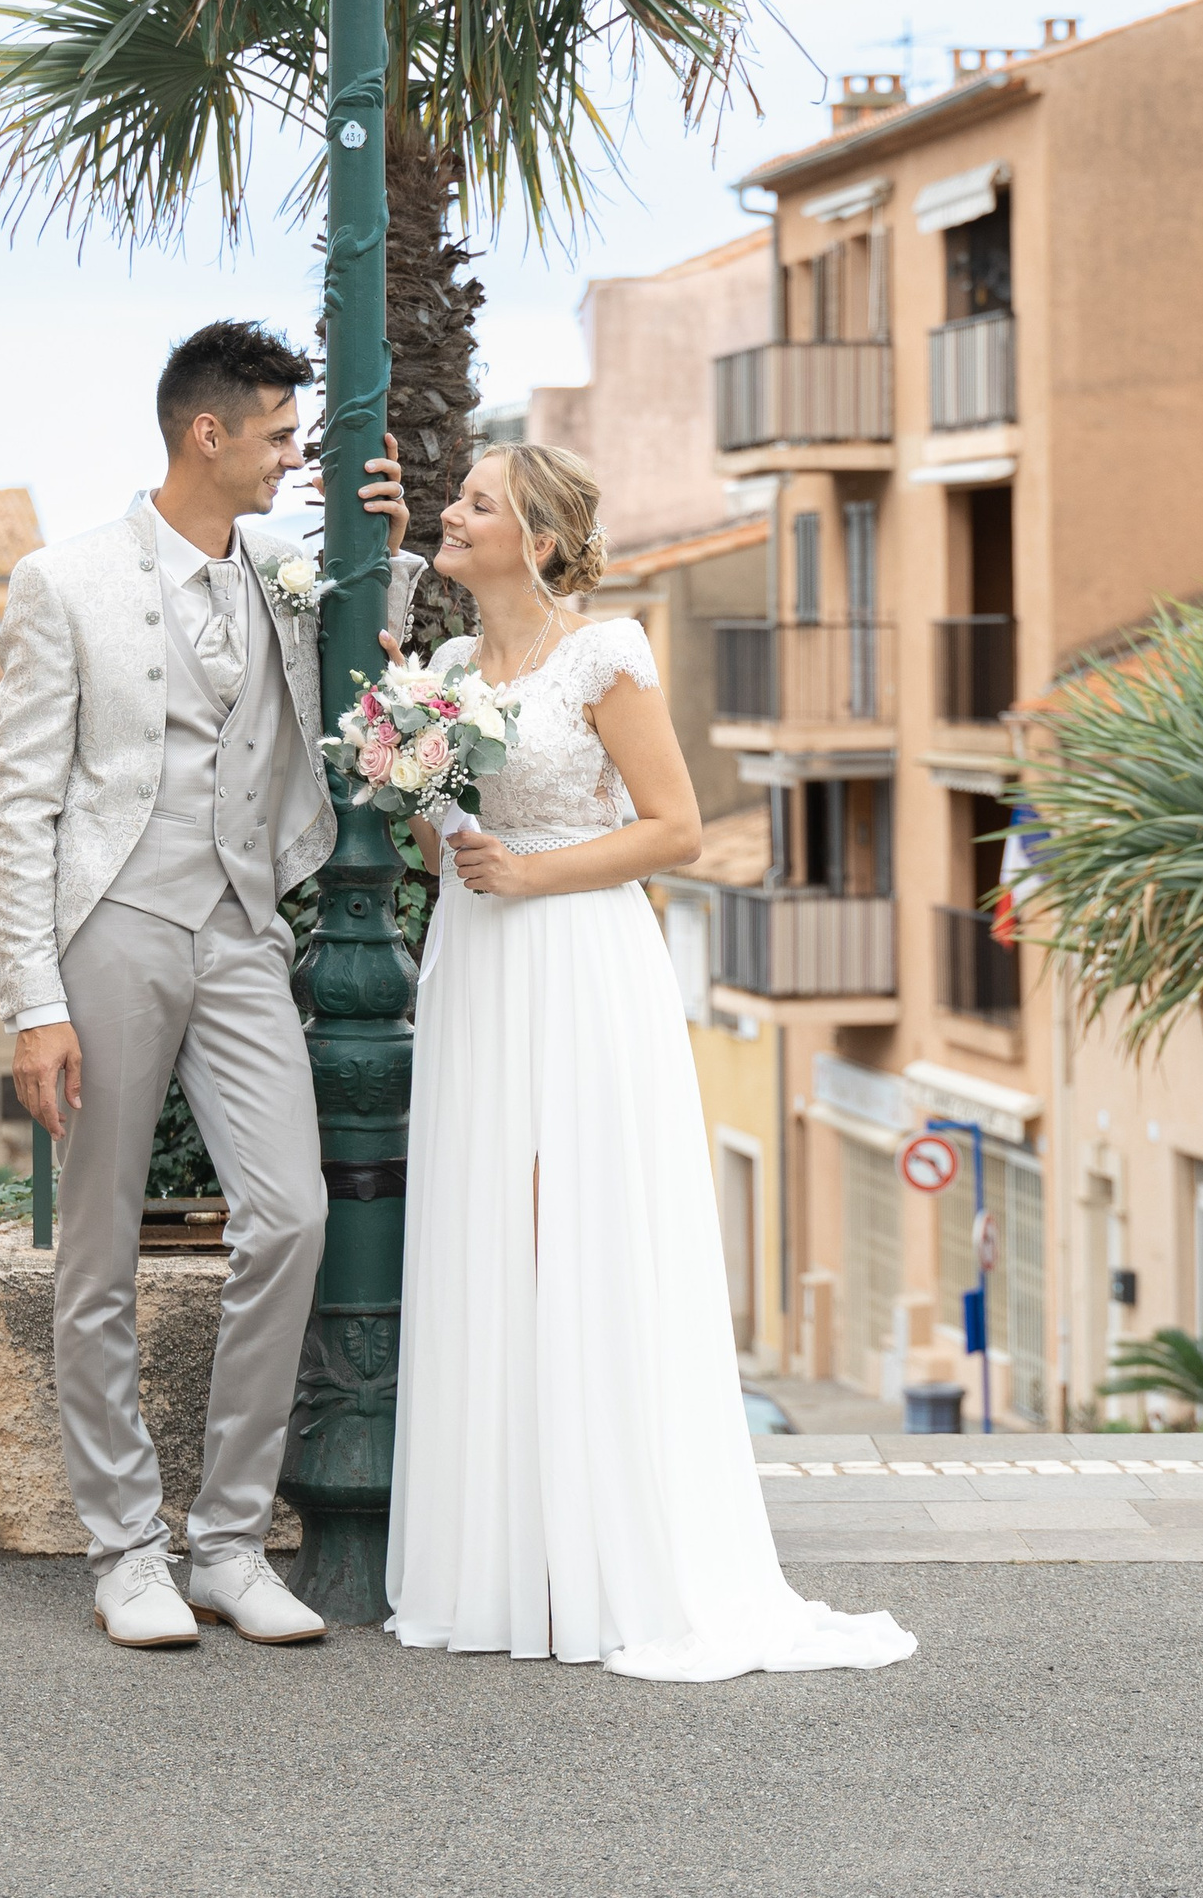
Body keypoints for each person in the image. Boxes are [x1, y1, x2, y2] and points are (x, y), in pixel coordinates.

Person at [386, 442, 919, 1683]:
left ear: (545, 539)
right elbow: (437, 836)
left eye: (477, 501)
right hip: (476, 959)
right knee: (487, 1237)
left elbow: (674, 826)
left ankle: (615, 1559)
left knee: (582, 1234)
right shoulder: (454, 669)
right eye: (456, 496)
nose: (453, 515)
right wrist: (415, 770)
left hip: (576, 956)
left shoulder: (605, 652)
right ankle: (505, 1562)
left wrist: (526, 870)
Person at [0, 319, 419, 1650]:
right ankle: (127, 1551)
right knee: (97, 1248)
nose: (299, 457)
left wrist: (379, 550)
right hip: (111, 918)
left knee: (286, 1214)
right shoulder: (63, 583)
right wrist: (31, 1002)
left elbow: (365, 669)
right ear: (206, 434)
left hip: (239, 925)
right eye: (283, 436)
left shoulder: (288, 566)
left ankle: (228, 1540)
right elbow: (18, 802)